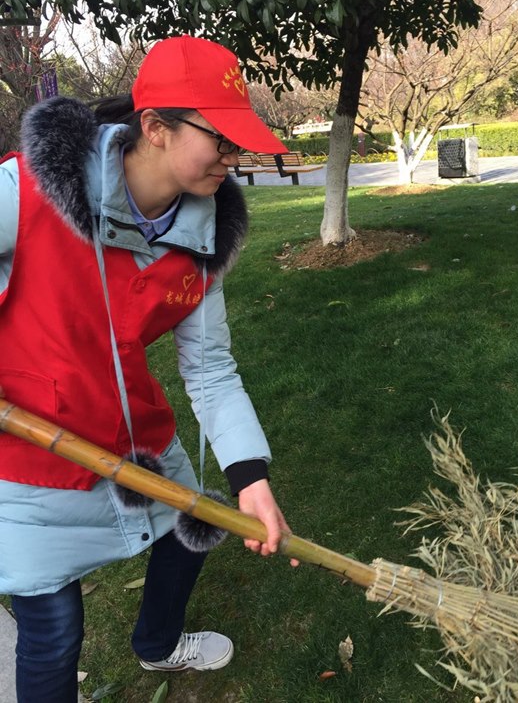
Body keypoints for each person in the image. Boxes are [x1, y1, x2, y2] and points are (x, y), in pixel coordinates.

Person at [0, 35, 296, 703]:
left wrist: (251, 478)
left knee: (198, 525)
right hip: (26, 451)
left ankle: (157, 643)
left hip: (133, 429)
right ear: (155, 128)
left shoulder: (203, 238)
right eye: (219, 137)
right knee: (53, 631)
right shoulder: (24, 191)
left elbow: (212, 370)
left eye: (239, 141)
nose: (234, 156)